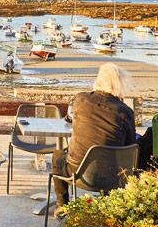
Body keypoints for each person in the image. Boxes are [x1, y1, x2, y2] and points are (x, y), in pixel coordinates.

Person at [52, 63, 136, 209]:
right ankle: (109, 205)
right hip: (112, 177)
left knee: (57, 155)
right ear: (119, 83)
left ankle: (62, 206)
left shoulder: (80, 100)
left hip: (77, 173)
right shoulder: (125, 112)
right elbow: (129, 145)